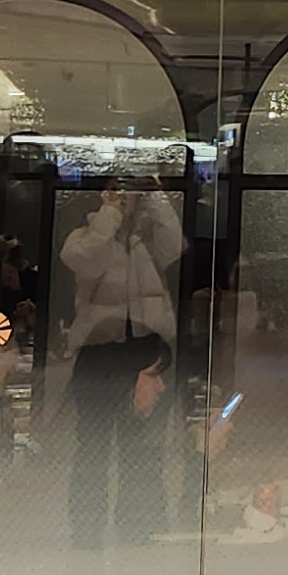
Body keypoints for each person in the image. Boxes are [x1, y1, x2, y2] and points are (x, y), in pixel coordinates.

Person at [57, 178, 182, 546]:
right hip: (99, 351)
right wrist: (109, 214)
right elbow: (84, 260)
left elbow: (175, 245)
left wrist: (156, 199)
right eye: (117, 191)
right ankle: (87, 528)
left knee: (142, 445)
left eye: (130, 192)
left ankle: (139, 526)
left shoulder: (148, 240)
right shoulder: (84, 236)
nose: (126, 199)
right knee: (92, 444)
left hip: (145, 350)